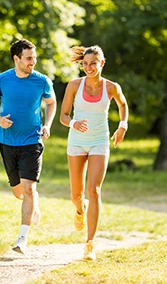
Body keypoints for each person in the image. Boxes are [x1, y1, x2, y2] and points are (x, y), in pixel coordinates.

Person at [0, 39, 57, 254]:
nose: (33, 62)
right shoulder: (2, 79)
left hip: (32, 141)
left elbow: (51, 103)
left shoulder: (42, 81)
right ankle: (34, 203)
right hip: (7, 142)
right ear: (16, 59)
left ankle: (22, 239)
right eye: (29, 58)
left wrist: (47, 124)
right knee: (19, 193)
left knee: (29, 188)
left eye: (34, 58)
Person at [59, 45, 128, 261]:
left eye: (93, 63)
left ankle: (90, 244)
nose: (88, 67)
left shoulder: (111, 87)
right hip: (77, 143)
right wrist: (73, 123)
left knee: (94, 190)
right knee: (76, 195)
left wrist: (123, 125)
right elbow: (63, 115)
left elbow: (123, 104)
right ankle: (80, 210)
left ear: (102, 64)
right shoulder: (73, 86)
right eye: (85, 63)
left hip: (100, 142)